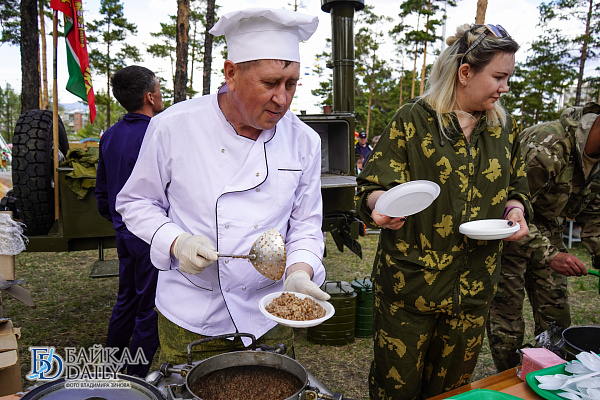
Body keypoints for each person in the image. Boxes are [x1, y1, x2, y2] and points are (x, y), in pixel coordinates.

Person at [115, 8, 329, 365]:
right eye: (270, 83)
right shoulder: (174, 127)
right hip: (193, 312)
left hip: (269, 314)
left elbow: (306, 224)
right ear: (231, 73)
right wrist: (176, 241)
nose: (283, 99)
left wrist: (299, 272)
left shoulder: (303, 140)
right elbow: (136, 202)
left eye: (291, 83)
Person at [355, 24, 532, 399]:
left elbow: (516, 187)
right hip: (411, 287)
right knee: (395, 390)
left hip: (473, 290)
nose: (505, 87)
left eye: (508, 78)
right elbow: (373, 186)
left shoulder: (504, 127)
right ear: (465, 73)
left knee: (451, 392)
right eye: (498, 77)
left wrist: (515, 210)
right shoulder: (413, 120)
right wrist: (379, 207)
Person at [487, 103, 599, 372]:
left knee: (557, 315)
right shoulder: (547, 146)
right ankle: (510, 380)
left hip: (548, 232)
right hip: (508, 234)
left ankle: (551, 374)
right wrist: (550, 255)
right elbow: (504, 206)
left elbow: (594, 215)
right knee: (507, 321)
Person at [95, 65, 164, 377]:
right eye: (159, 88)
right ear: (149, 97)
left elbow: (102, 191)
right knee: (150, 306)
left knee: (126, 300)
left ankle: (110, 364)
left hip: (123, 233)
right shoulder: (158, 133)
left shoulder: (109, 136)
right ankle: (135, 378)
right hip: (152, 236)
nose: (161, 93)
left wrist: (119, 222)